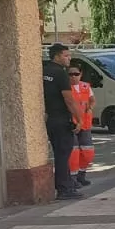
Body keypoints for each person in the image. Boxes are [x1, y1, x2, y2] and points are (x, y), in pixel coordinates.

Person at [43, 44, 81, 199]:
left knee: (59, 152)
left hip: (49, 118)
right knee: (63, 154)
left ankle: (65, 186)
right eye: (66, 55)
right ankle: (64, 189)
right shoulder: (60, 74)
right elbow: (69, 99)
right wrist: (78, 119)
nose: (69, 58)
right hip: (60, 119)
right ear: (57, 56)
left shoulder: (44, 70)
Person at [67, 65, 96, 187]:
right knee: (73, 153)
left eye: (76, 74)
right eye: (71, 74)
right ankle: (72, 179)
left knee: (87, 151)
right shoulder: (65, 87)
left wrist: (90, 107)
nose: (73, 77)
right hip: (72, 123)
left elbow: (92, 99)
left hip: (85, 123)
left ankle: (81, 175)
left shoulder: (86, 86)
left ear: (81, 74)